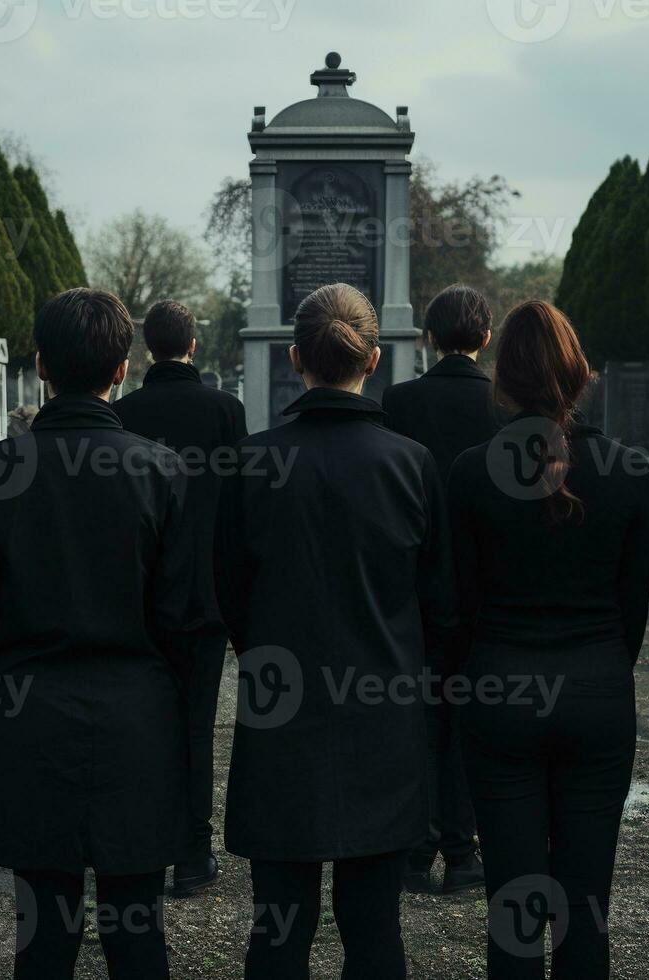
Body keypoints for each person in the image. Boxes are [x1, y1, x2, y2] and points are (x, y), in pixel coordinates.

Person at [216, 282, 456, 980]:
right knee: (375, 929)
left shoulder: (251, 463)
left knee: (279, 928)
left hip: (280, 712)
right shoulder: (411, 465)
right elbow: (439, 603)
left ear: (296, 358)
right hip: (383, 714)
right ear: (373, 359)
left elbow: (230, 593)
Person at [0, 288, 201, 980]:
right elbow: (181, 618)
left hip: (32, 710)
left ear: (42, 366)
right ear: (122, 369)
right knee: (137, 930)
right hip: (137, 715)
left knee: (41, 937)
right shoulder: (162, 472)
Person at [447, 300, 649, 979]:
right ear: (578, 373)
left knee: (512, 900)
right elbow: (633, 608)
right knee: (585, 902)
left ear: (502, 378)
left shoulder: (472, 473)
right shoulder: (627, 471)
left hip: (501, 687)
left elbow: (458, 602)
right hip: (596, 688)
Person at [113, 299, 247, 898]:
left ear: (148, 349)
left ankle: (144, 841)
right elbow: (241, 506)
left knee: (143, 722)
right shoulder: (225, 411)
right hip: (204, 591)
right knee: (195, 724)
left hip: (141, 591)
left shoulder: (126, 414)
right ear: (192, 346)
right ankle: (194, 853)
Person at [382, 283, 500, 895]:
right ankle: (462, 852)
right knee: (469, 724)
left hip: (415, 584)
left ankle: (413, 851)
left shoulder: (399, 402)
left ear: (429, 338)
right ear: (484, 338)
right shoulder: (506, 406)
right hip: (486, 586)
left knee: (419, 720)